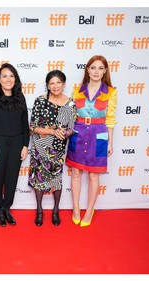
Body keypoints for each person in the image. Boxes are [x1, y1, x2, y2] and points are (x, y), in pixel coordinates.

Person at [66, 55, 118, 227]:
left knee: (94, 174)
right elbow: (71, 115)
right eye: (93, 68)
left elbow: (110, 119)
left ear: (105, 71)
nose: (96, 71)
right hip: (78, 133)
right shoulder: (77, 90)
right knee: (75, 172)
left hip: (99, 134)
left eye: (100, 68)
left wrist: (110, 142)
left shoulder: (111, 92)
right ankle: (75, 208)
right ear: (87, 69)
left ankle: (89, 210)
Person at [0, 63, 29, 227]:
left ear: (15, 79)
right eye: (4, 76)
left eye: (11, 76)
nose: (8, 79)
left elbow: (25, 125)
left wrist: (25, 146)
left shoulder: (20, 97)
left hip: (17, 144)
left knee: (12, 178)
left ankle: (7, 208)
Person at [28, 70, 75, 227]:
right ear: (47, 85)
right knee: (39, 179)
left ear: (63, 84)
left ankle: (56, 211)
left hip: (58, 147)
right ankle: (39, 210)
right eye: (51, 83)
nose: (55, 86)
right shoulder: (40, 101)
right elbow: (32, 127)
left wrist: (65, 133)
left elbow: (72, 128)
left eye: (58, 82)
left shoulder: (70, 104)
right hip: (40, 145)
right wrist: (52, 131)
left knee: (57, 179)